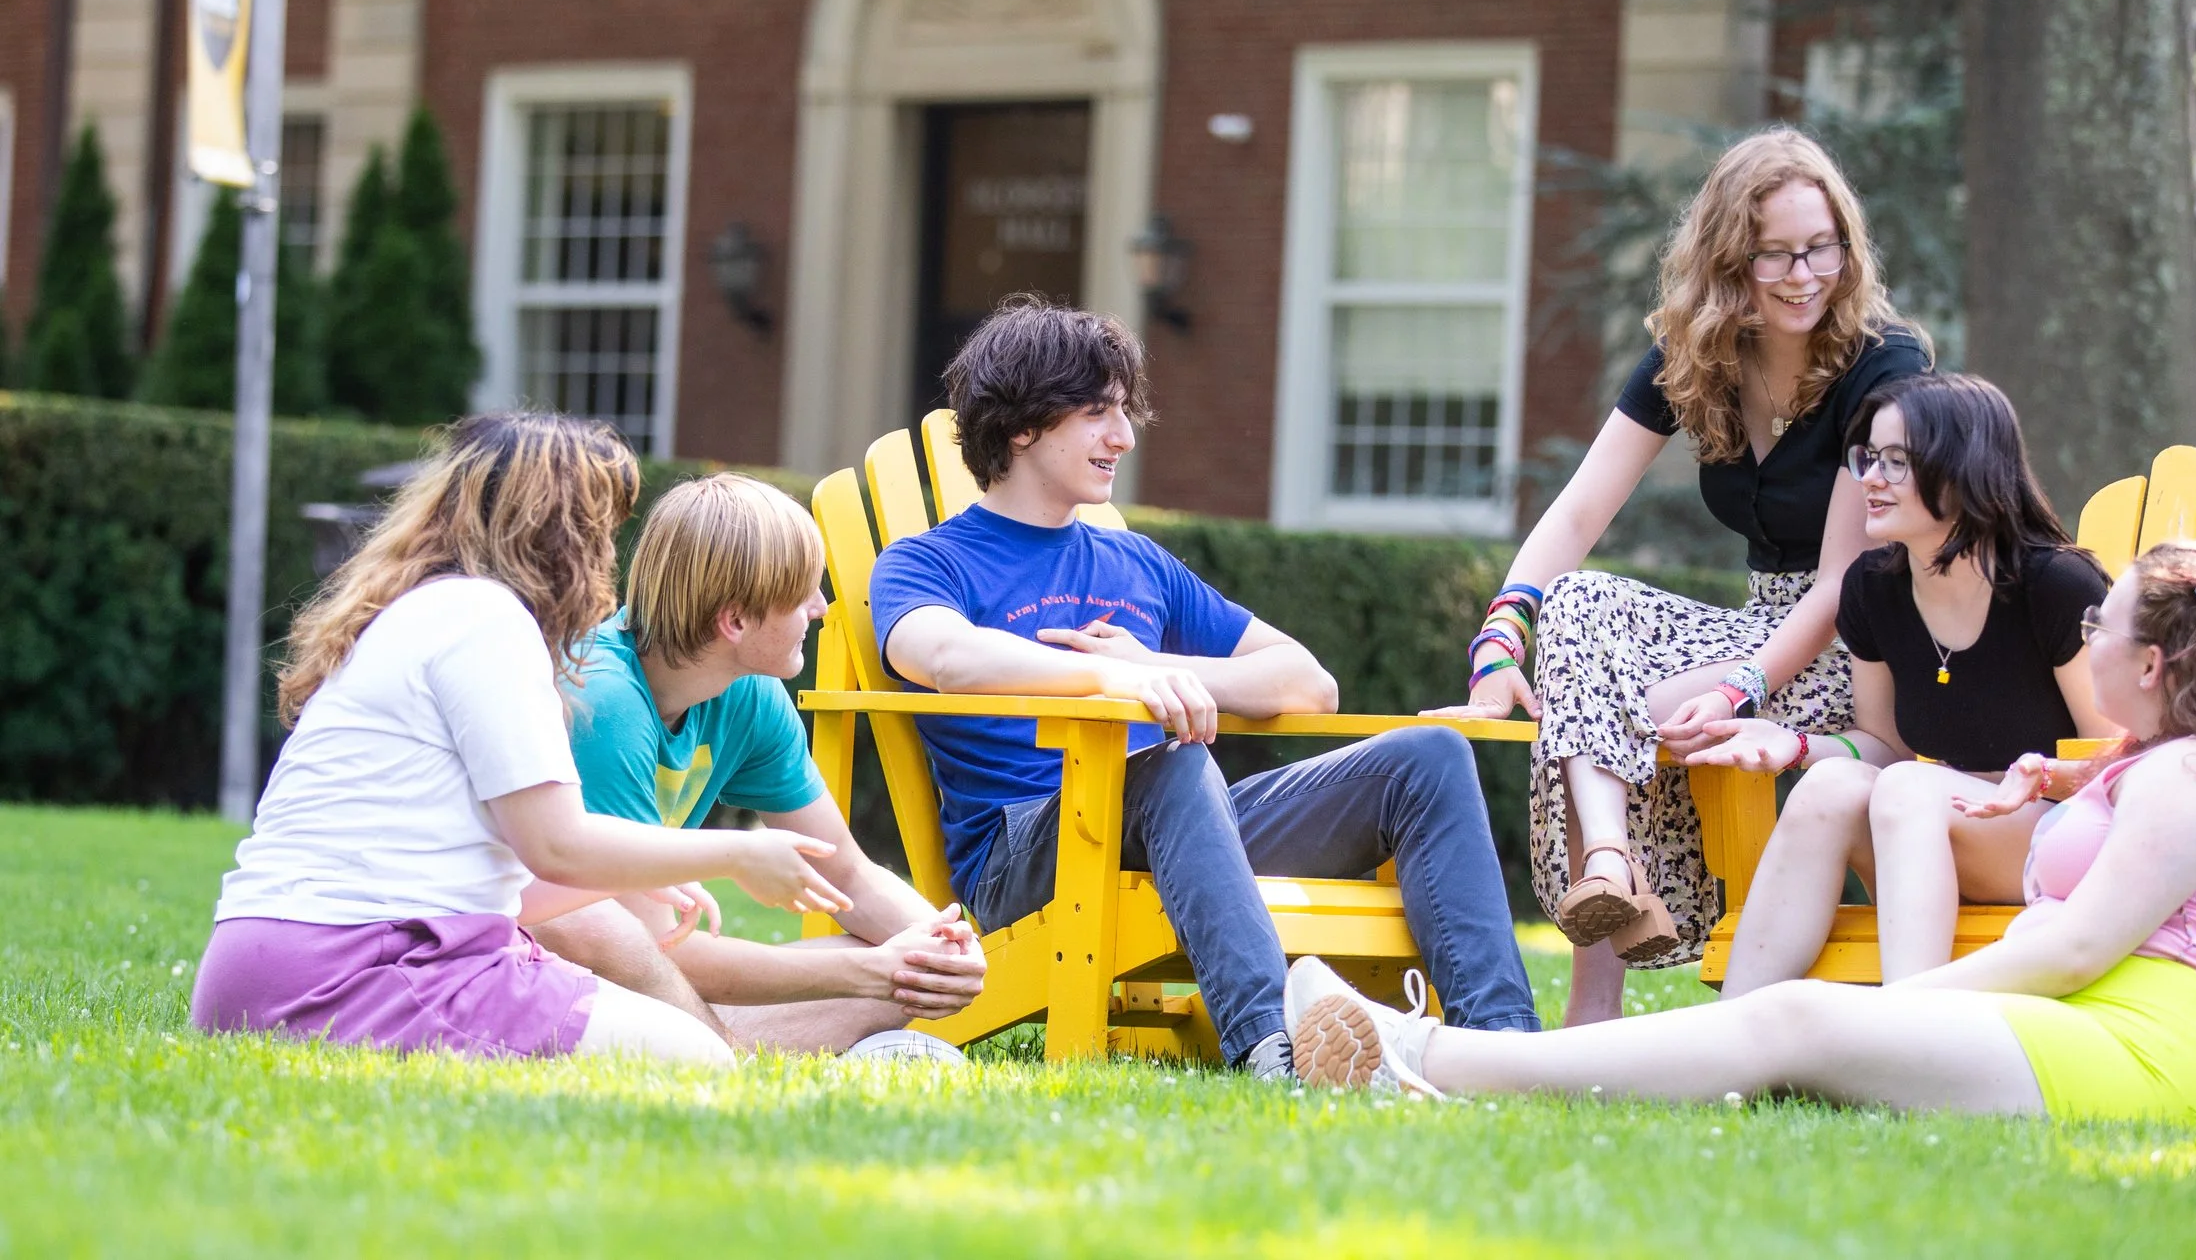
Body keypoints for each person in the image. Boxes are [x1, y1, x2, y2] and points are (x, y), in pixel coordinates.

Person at [1287, 540, 2196, 1125]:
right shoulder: (2192, 767)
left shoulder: (2189, 777)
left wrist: (1899, 1009)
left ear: (2156, 664)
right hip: (2113, 1050)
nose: (2087, 635)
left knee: (1799, 1019)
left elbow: (2076, 947)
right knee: (1801, 1029)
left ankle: (1423, 1059)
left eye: (2102, 622)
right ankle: (1436, 1058)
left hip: (2119, 1059)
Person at [870, 296, 1540, 1077]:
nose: (1122, 436)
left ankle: (1506, 1051)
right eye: (1097, 412)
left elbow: (1307, 682)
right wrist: (1114, 678)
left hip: (1182, 824)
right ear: (1022, 426)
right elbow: (946, 657)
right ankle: (1272, 1049)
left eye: (1124, 411)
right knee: (1173, 762)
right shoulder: (927, 563)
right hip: (1027, 857)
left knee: (1427, 757)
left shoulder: (1139, 564)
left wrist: (1159, 669)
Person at [1432, 127, 1929, 1024]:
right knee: (1582, 604)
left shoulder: (1881, 369)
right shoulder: (1694, 356)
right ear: (1728, 259)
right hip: (1758, 628)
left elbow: (1838, 584)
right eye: (1773, 252)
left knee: (1602, 697)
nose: (1801, 273)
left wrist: (1744, 684)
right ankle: (1610, 868)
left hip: (1857, 647)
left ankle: (1594, 1005)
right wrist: (1498, 640)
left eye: (1821, 247)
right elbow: (1579, 513)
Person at [192, 413, 848, 1067]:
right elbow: (557, 844)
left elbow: (513, 886)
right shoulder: (488, 623)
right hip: (356, 967)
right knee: (698, 1060)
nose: (608, 555)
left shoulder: (424, 608)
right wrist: (731, 853)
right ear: (560, 532)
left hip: (263, 964)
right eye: (602, 528)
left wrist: (655, 874)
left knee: (681, 1041)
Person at [525, 473, 986, 1058]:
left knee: (904, 977)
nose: (820, 609)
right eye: (804, 594)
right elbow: (646, 941)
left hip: (638, 973)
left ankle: (705, 1043)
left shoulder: (749, 691)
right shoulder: (605, 701)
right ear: (736, 621)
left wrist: (937, 946)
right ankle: (722, 1054)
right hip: (550, 956)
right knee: (600, 928)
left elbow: (844, 871)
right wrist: (866, 971)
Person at [1710, 373, 2116, 993]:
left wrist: (2023, 780)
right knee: (1830, 785)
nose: (1869, 477)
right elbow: (1883, 744)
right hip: (1935, 828)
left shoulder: (2057, 586)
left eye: (1896, 461)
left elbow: (2118, 761)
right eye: (1867, 458)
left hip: (2065, 841)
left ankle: (1910, 1030)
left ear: (1964, 469)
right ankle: (1733, 1035)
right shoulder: (1874, 588)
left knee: (1908, 789)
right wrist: (1789, 745)